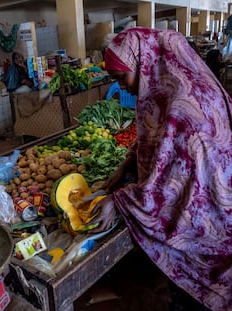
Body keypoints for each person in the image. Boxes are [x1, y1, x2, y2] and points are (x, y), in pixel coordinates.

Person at [91, 27, 232, 311]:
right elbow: (161, 141)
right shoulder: (176, 85)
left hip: (208, 224)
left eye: (122, 78)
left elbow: (169, 187)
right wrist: (126, 164)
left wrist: (117, 201)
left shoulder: (183, 105)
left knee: (195, 296)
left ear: (144, 61)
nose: (124, 86)